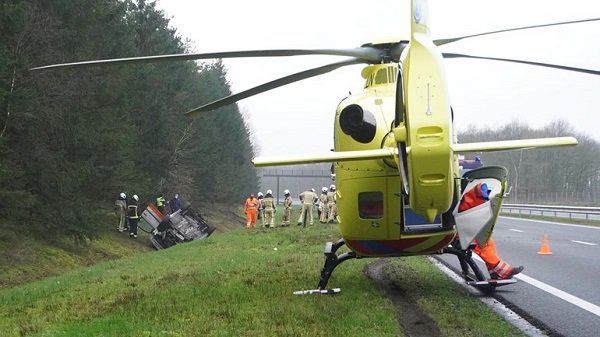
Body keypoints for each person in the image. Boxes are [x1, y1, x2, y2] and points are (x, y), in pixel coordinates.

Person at [457, 182, 524, 279]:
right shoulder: (471, 199)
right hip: (458, 232)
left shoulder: (472, 198)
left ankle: (494, 272)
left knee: (489, 241)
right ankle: (505, 271)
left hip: (462, 230)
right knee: (480, 244)